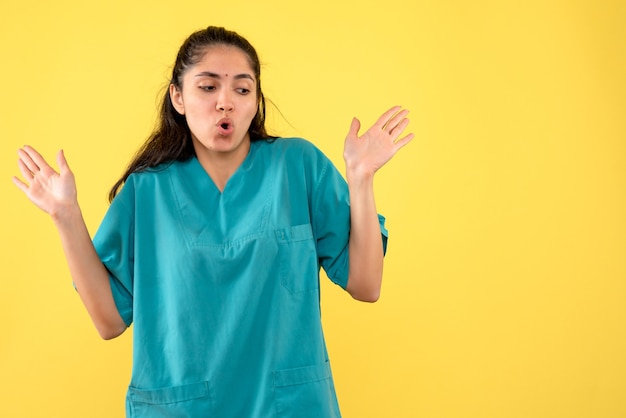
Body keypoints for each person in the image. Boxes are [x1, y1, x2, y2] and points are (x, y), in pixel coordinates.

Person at [13, 26, 413, 418]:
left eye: (242, 89)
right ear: (178, 97)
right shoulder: (147, 192)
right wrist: (65, 215)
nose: (226, 102)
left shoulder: (298, 166)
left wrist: (361, 179)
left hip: (288, 407)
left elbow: (366, 285)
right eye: (208, 87)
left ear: (256, 101)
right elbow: (108, 320)